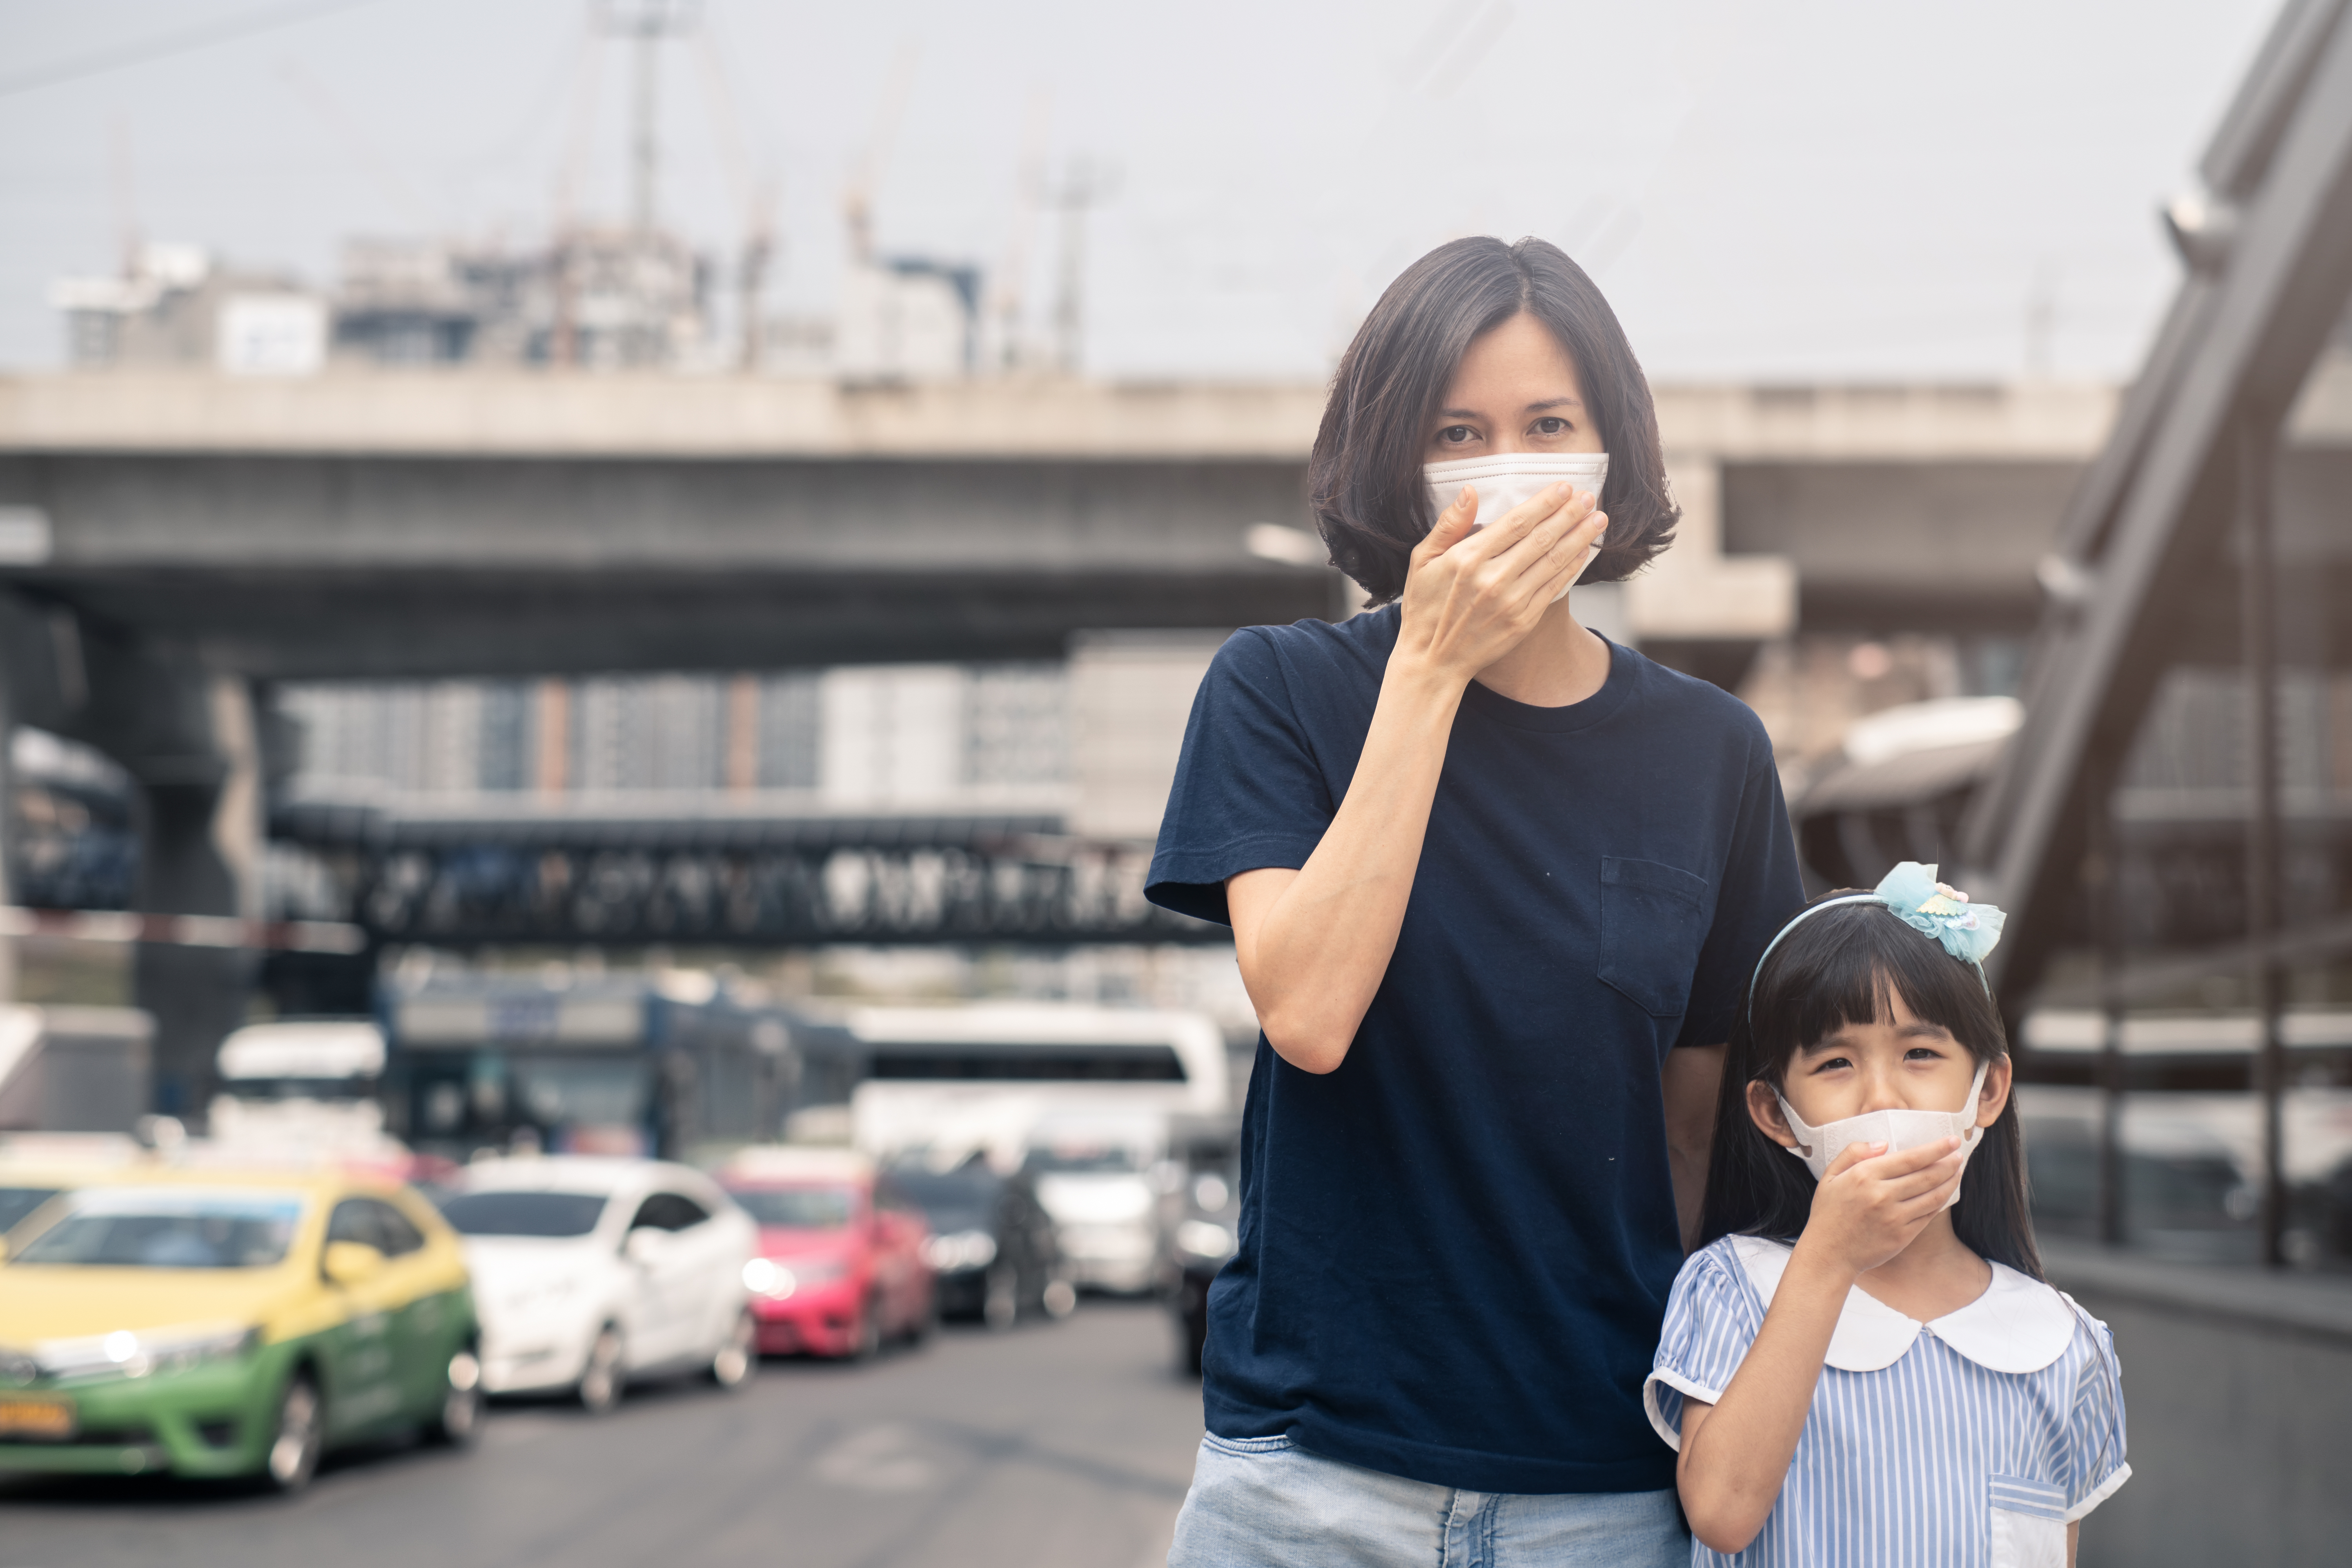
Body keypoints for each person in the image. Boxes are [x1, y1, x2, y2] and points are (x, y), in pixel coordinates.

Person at [1146, 235, 1805, 1566]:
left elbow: (1698, 1138)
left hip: (1603, 1487)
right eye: (1461, 431)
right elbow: (1311, 1012)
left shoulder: (1712, 752)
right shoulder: (1280, 693)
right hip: (1306, 1482)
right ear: (1399, 461)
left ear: (1611, 448)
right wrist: (1432, 667)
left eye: (1548, 423)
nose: (1511, 462)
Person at [1648, 863, 2130, 1566]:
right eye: (1836, 1064)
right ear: (1775, 1115)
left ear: (1988, 1089)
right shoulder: (1732, 1289)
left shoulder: (2062, 1343)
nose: (1882, 1095)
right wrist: (1830, 1257)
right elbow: (1722, 1513)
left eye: (1921, 1053)